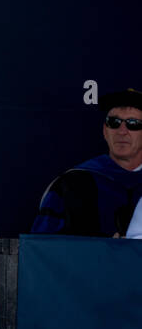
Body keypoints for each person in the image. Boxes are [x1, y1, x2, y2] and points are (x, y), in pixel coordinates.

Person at [32, 88, 142, 236]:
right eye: (114, 122)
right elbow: (43, 248)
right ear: (105, 131)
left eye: (133, 123)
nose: (122, 131)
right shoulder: (72, 184)